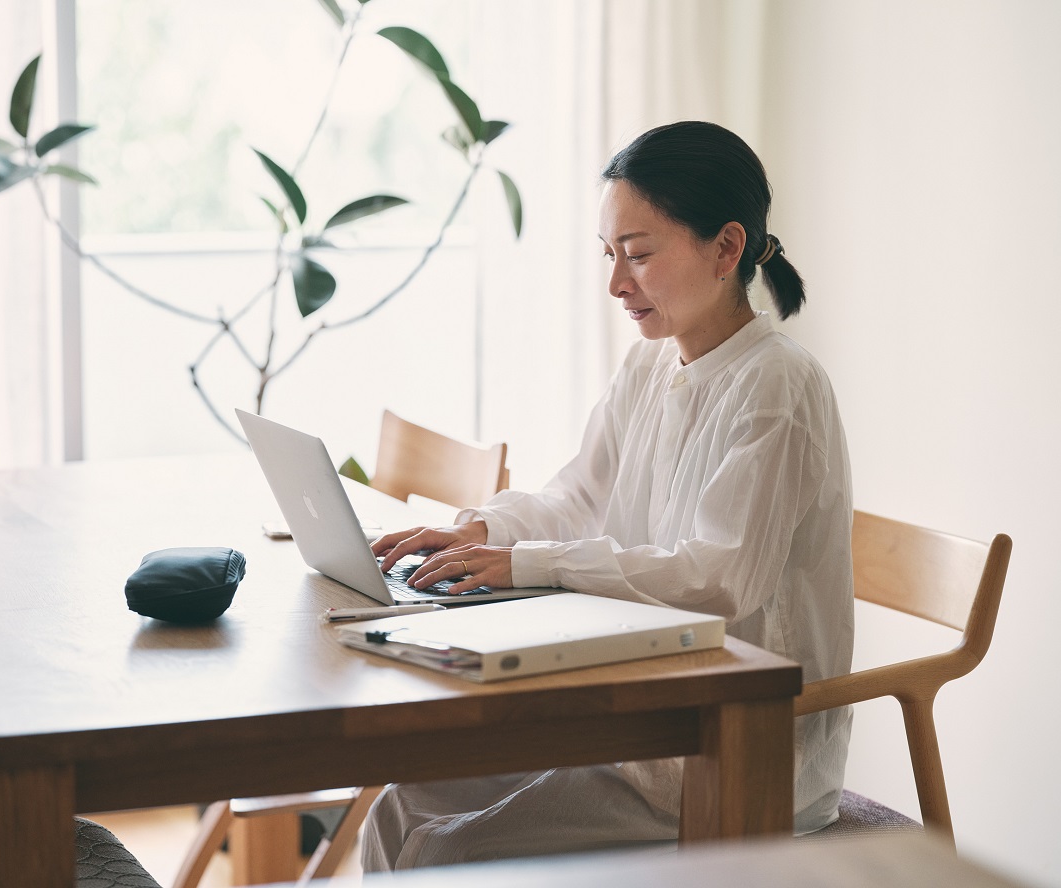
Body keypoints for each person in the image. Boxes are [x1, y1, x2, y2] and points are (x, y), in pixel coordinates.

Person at [363, 120, 854, 871]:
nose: (617, 284)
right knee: (399, 809)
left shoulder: (778, 386)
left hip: (737, 751)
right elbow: (578, 496)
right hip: (639, 716)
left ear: (726, 249)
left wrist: (533, 563)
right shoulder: (651, 365)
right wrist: (483, 533)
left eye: (640, 255)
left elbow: (721, 581)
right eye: (610, 255)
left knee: (443, 853)